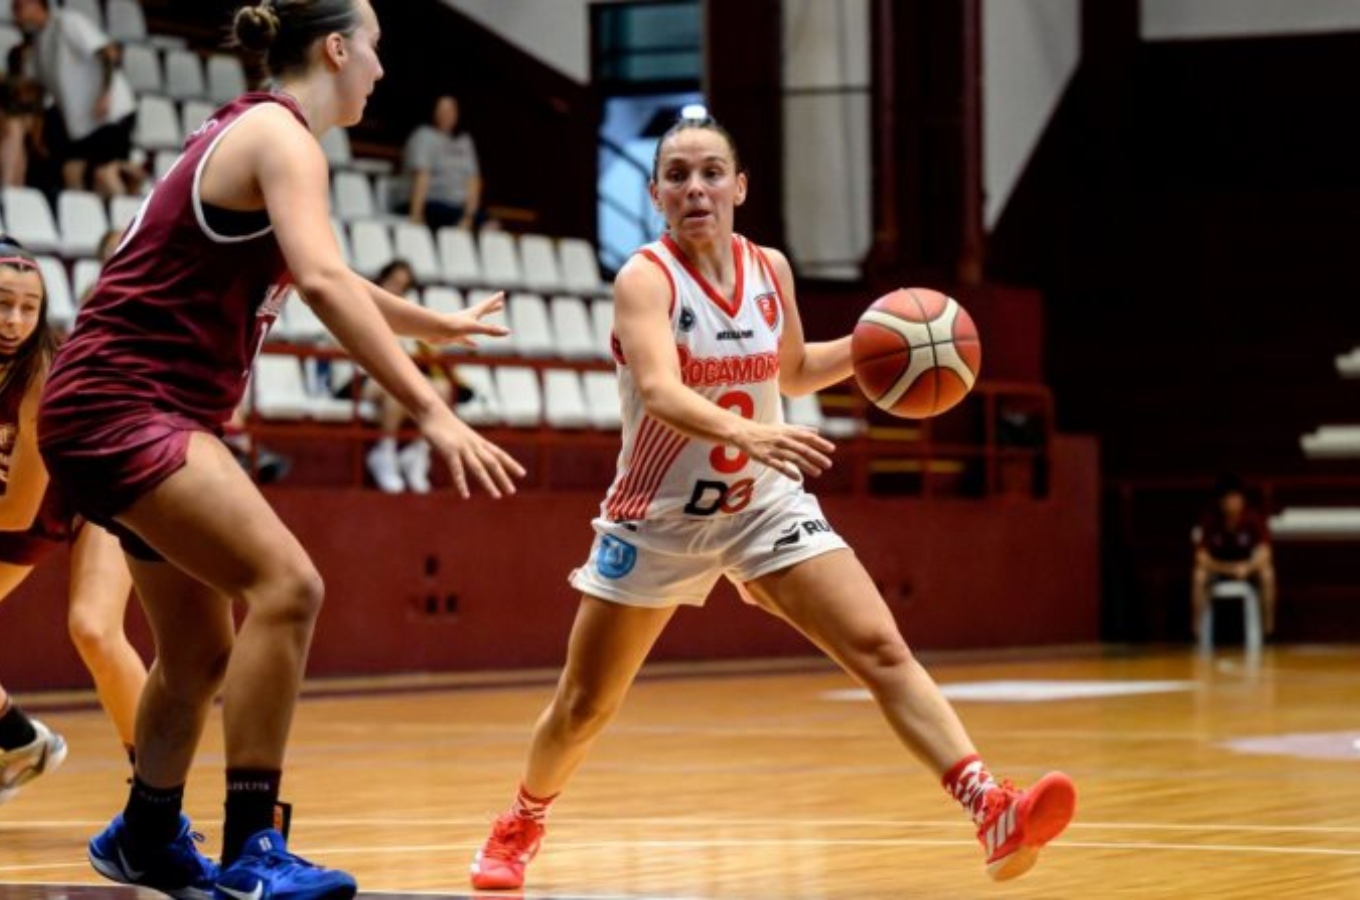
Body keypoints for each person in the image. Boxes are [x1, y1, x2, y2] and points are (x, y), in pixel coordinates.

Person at [469, 114, 1077, 893]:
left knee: (880, 648)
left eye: (711, 172)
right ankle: (522, 819)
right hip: (658, 519)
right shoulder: (645, 280)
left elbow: (790, 372)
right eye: (678, 175)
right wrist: (748, 431)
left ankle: (989, 808)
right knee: (584, 706)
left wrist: (880, 346)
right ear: (655, 195)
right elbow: (658, 389)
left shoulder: (770, 269)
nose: (696, 188)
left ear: (740, 187)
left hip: (763, 506)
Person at [38, 2, 525, 898]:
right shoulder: (282, 136)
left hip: (116, 407)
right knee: (289, 587)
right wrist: (431, 408)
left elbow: (318, 270)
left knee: (197, 650)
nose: (380, 68)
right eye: (375, 47)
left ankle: (145, 834)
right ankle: (254, 848)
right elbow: (326, 279)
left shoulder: (253, 130)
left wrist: (430, 323)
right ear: (336, 48)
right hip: (127, 405)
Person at [0, 237, 146, 801]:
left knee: (94, 628)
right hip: (30, 500)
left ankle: (156, 792)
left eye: (28, 308)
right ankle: (20, 741)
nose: (14, 321)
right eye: (3, 305)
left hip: (95, 489)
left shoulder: (38, 372)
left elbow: (19, 512)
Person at [11, 0, 139, 196]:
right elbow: (36, 89)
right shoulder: (38, 44)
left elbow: (107, 52)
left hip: (109, 114)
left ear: (36, 4)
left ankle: (133, 202)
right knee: (74, 174)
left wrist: (105, 94)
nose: (15, 13)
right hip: (82, 127)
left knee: (104, 175)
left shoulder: (67, 22)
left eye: (19, 7)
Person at [361, 258, 465, 493]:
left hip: (398, 375)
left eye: (403, 286)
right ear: (381, 279)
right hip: (362, 377)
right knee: (397, 385)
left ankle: (418, 451)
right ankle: (384, 451)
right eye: (393, 282)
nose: (396, 289)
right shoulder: (358, 305)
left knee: (441, 387)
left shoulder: (405, 315)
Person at [1191, 474, 1277, 639]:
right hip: (1219, 569)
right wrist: (1224, 569)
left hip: (1246, 569)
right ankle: (1197, 632)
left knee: (1267, 574)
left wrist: (1248, 568)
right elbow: (1201, 556)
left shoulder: (1252, 519)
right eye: (1227, 499)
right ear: (1221, 502)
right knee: (1198, 576)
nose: (1232, 503)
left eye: (1235, 498)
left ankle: (1268, 632)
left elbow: (1265, 552)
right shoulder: (1211, 520)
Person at [400, 94, 490, 231]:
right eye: (442, 109)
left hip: (459, 208)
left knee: (490, 225)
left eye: (450, 110)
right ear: (433, 111)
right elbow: (422, 176)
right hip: (432, 202)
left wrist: (469, 216)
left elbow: (474, 180)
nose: (446, 114)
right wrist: (416, 214)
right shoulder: (424, 136)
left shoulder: (465, 141)